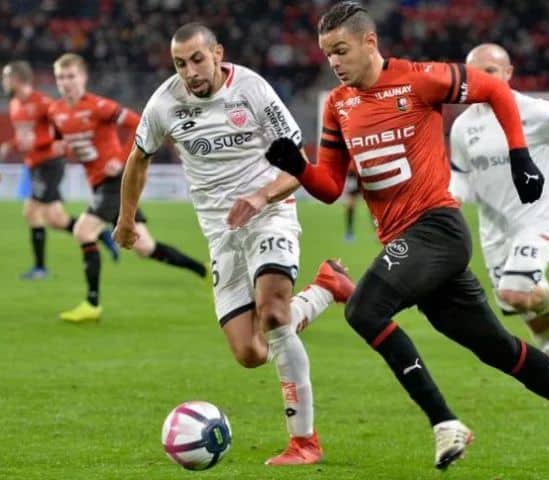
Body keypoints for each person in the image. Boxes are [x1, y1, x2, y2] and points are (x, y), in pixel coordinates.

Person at [254, 2, 549, 474]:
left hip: (437, 228)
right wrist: (299, 168)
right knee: (500, 350)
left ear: (370, 43)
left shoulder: (418, 80)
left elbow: (494, 88)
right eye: (327, 54)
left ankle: (445, 422)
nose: (333, 62)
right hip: (410, 244)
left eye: (341, 50)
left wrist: (520, 155)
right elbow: (330, 188)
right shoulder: (337, 106)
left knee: (364, 309)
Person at [113, 23, 355, 466]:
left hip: (270, 213)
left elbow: (299, 163)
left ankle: (304, 443)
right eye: (180, 64)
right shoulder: (165, 101)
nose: (190, 71)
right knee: (250, 352)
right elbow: (138, 159)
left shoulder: (253, 90)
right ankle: (326, 288)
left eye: (197, 60)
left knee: (276, 314)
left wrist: (262, 196)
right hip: (220, 233)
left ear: (217, 53)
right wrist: (126, 219)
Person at [449, 43, 549, 395]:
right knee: (514, 301)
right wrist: (452, 198)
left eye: (489, 71)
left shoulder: (534, 111)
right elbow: (459, 171)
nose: (480, 79)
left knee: (516, 290)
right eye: (473, 72)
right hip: (494, 227)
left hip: (538, 216)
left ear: (508, 74)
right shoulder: (463, 125)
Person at [48, 53, 207, 323]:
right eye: (61, 77)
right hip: (99, 184)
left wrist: (121, 158)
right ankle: (205, 271)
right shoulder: (56, 112)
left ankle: (92, 303)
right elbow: (59, 141)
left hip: (117, 181)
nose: (66, 82)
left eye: (72, 76)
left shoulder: (100, 106)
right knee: (145, 247)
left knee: (83, 231)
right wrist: (60, 148)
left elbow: (139, 124)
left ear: (83, 77)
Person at [1, 60, 118, 279]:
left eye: (6, 77)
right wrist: (10, 146)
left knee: (31, 211)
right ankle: (101, 234)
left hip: (49, 164)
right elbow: (26, 137)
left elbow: (62, 124)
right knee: (56, 219)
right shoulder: (16, 104)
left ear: (17, 79)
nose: (4, 82)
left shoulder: (43, 103)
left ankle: (40, 268)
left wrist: (59, 141)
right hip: (34, 165)